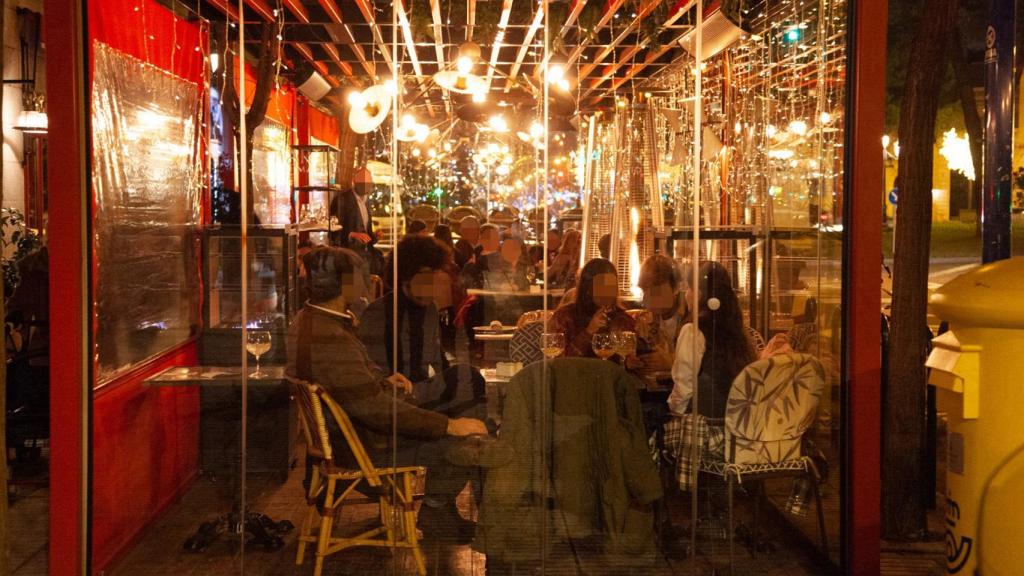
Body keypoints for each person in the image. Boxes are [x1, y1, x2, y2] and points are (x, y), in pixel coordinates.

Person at [287, 246, 490, 535]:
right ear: (342, 283)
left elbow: (358, 385)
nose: (366, 279)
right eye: (358, 275)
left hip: (354, 431)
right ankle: (440, 509)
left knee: (468, 388)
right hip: (365, 445)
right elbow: (376, 411)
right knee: (474, 438)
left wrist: (383, 379)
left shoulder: (312, 320)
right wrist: (449, 425)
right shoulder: (331, 335)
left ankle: (445, 505)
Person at [360, 235, 454, 382]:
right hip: (393, 393)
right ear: (405, 277)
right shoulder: (378, 312)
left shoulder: (430, 309)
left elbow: (437, 358)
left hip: (422, 391)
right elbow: (372, 368)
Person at [668, 261, 755, 419]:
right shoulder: (736, 330)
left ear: (699, 293)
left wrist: (673, 415)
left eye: (689, 288)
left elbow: (684, 388)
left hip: (703, 429)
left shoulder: (693, 331)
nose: (686, 294)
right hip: (735, 425)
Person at [548, 258, 635, 358]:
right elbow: (558, 360)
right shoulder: (565, 317)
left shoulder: (623, 320)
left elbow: (631, 360)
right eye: (601, 287)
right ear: (587, 289)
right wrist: (589, 331)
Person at [633, 254, 689, 377]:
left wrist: (671, 363)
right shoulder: (644, 321)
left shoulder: (692, 317)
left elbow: (708, 364)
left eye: (656, 291)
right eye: (644, 291)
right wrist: (631, 361)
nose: (647, 299)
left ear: (676, 288)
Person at [330, 167, 381, 271]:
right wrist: (352, 234)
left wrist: (374, 237)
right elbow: (332, 230)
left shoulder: (367, 201)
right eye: (362, 180)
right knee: (351, 286)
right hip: (348, 259)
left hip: (365, 258)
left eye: (368, 181)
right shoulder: (341, 199)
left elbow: (366, 232)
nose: (365, 184)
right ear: (354, 181)